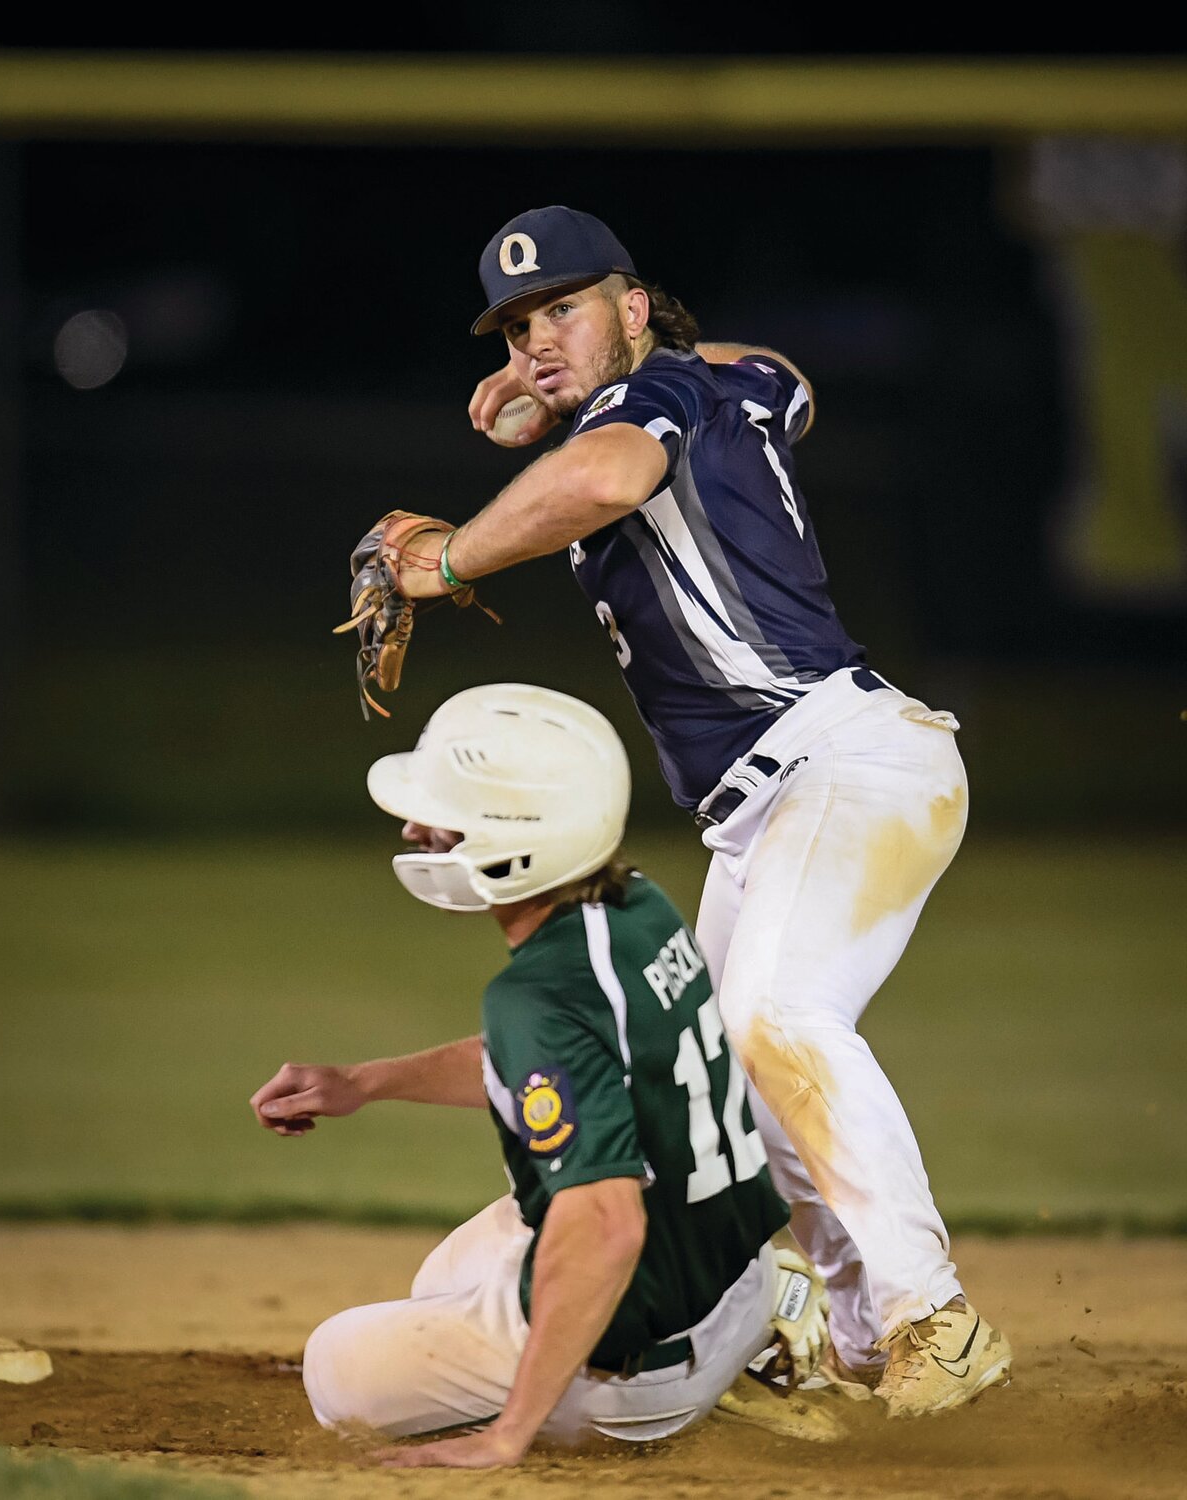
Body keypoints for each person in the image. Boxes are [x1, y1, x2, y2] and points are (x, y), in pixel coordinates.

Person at [348, 205, 1012, 1417]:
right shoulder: (719, 384)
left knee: (770, 1015)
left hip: (839, 759)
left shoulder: (636, 409)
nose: (538, 340)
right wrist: (567, 382)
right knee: (701, 1082)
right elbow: (788, 377)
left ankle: (933, 1316)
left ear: (635, 305)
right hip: (784, 796)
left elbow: (602, 477)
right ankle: (843, 1336)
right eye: (516, 325)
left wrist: (447, 561)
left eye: (563, 308)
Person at [250, 683, 837, 1468]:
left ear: (518, 835)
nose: (414, 828)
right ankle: (763, 1330)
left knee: (336, 1371)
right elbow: (554, 1061)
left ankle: (606, 1406)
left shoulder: (536, 995)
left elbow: (607, 1226)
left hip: (644, 1372)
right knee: (449, 1272)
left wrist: (506, 1435)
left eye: (446, 814)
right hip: (737, 1278)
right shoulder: (637, 907)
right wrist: (365, 1082)